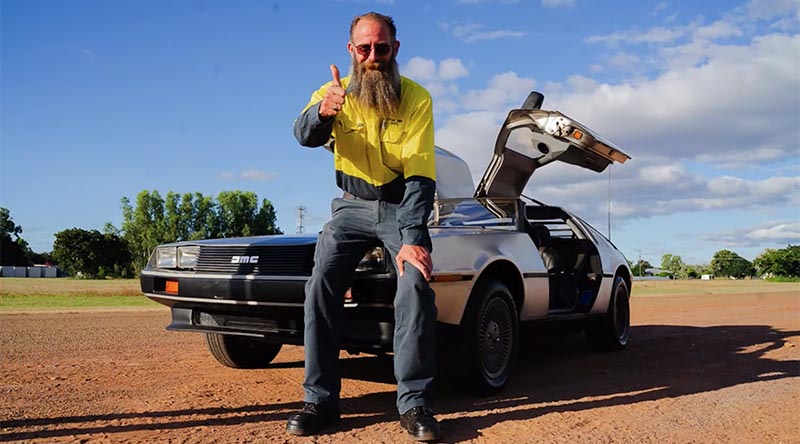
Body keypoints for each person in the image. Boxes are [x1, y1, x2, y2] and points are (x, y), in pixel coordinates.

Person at [287, 11, 440, 442]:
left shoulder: (416, 98)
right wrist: (322, 112)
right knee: (320, 285)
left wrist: (412, 240)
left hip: (399, 206)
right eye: (364, 48)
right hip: (349, 208)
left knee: (414, 284)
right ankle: (320, 400)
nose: (373, 56)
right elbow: (302, 134)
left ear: (395, 49)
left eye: (382, 47)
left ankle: (415, 403)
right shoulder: (332, 92)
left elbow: (419, 176)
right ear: (351, 51)